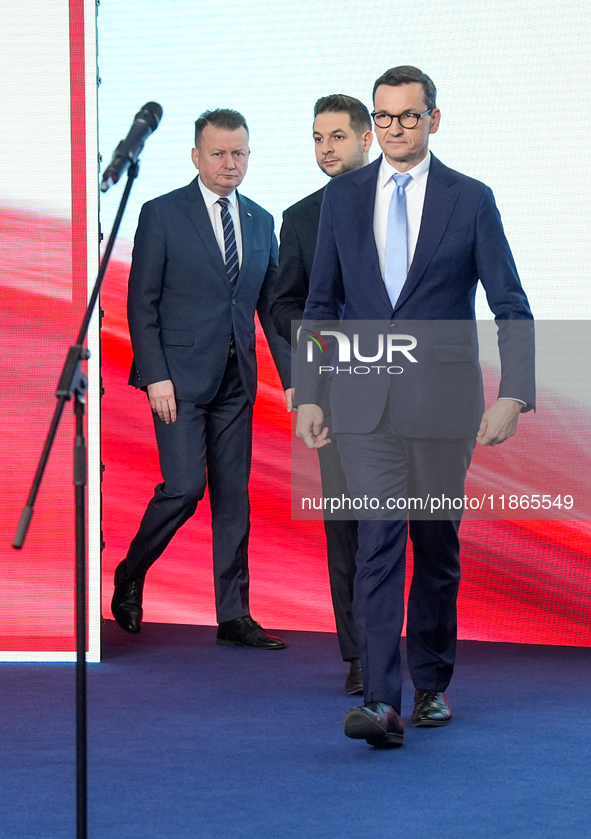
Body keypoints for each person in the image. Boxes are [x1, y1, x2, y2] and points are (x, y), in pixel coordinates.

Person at [295, 66, 534, 747]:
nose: (396, 127)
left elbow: (509, 303)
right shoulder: (341, 199)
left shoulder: (470, 199)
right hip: (361, 404)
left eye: (408, 115)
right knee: (377, 542)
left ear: (433, 119)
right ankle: (378, 700)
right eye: (385, 116)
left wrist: (514, 393)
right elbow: (319, 305)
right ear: (375, 123)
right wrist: (311, 393)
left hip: (443, 405)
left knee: (434, 545)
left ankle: (430, 683)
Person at [112, 108, 291, 650]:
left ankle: (233, 615)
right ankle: (130, 572)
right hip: (179, 380)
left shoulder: (261, 221)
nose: (229, 163)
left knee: (233, 497)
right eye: (218, 153)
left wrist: (298, 379)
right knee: (186, 487)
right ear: (196, 156)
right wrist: (155, 375)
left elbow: (274, 310)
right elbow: (140, 303)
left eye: (239, 153)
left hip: (238, 380)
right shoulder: (161, 213)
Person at [271, 94, 373, 694]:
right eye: (317, 138)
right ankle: (360, 654)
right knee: (347, 528)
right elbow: (285, 302)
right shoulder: (302, 217)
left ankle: (426, 657)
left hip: (412, 391)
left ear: (365, 138)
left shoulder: (405, 205)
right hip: (337, 393)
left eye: (337, 137)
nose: (326, 149)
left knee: (422, 527)